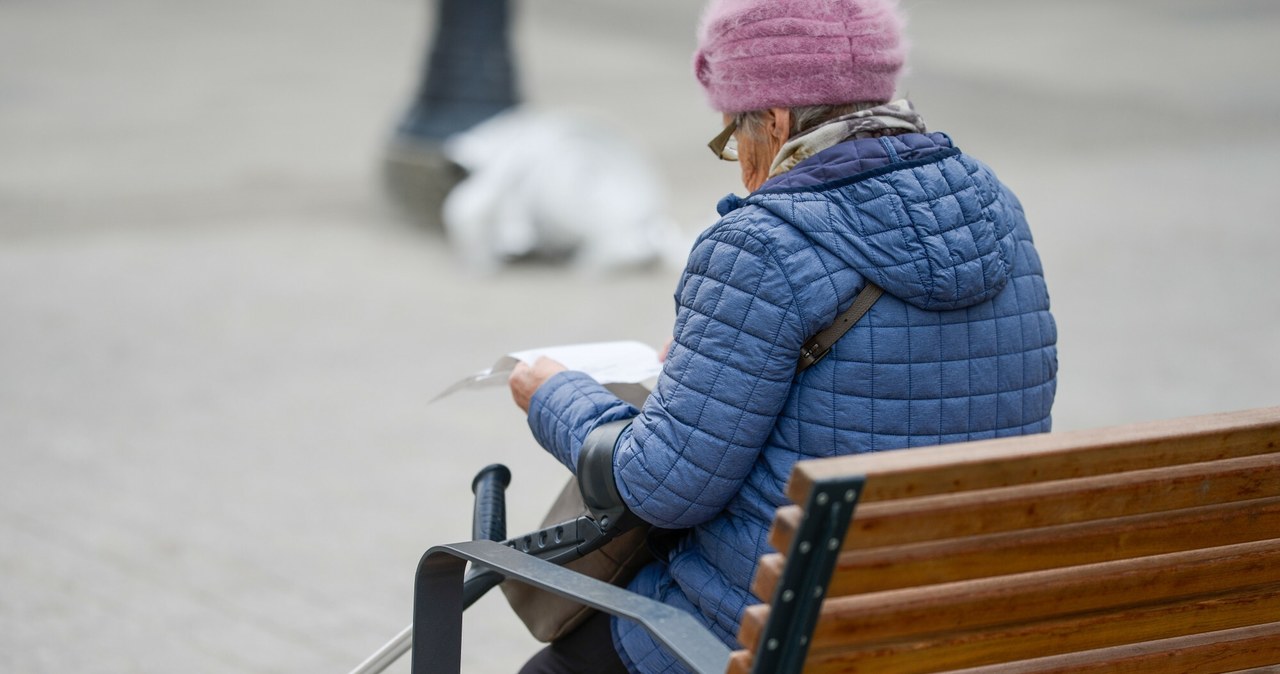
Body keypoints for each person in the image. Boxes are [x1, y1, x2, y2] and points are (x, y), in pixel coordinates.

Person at [508, 1, 1058, 672]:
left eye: (734, 137)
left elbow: (663, 485)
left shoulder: (761, 243)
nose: (740, 163)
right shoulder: (995, 205)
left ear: (774, 120)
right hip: (963, 619)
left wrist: (555, 396)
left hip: (789, 634)